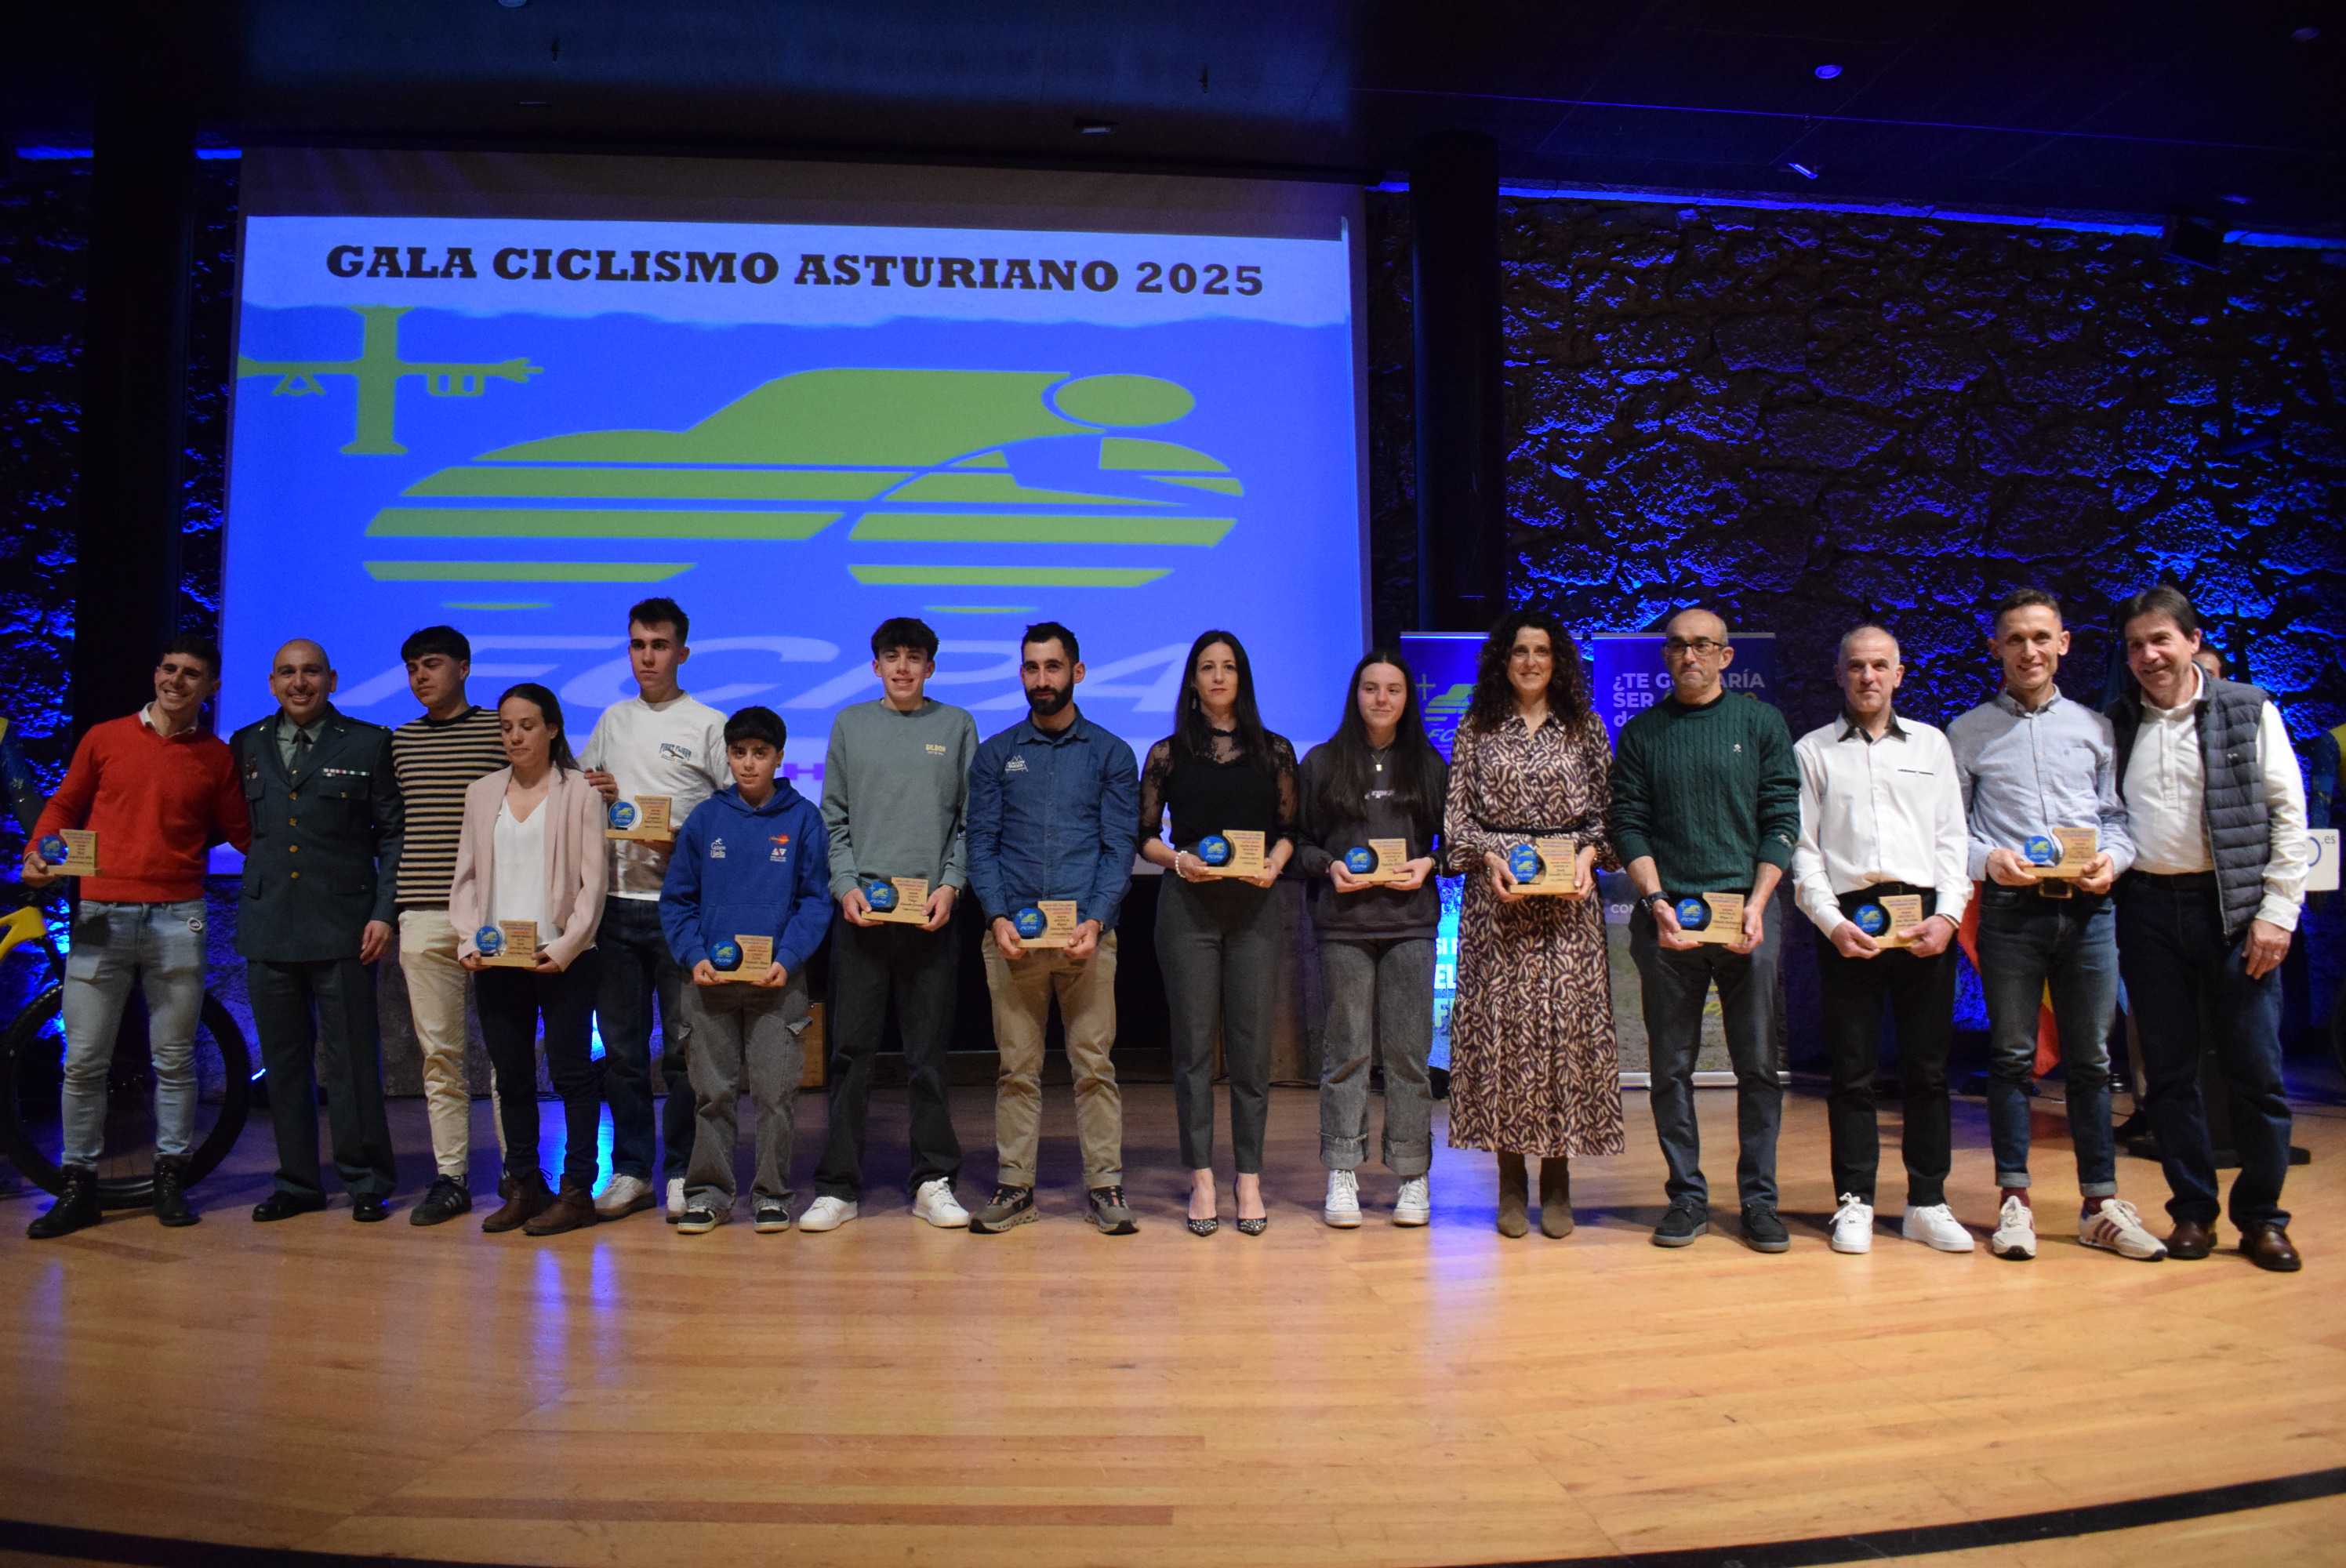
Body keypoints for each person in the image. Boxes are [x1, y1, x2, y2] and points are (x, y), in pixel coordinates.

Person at [1948, 587, 2163, 1262]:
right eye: (2015, 639)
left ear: (2063, 644)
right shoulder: (1966, 733)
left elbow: (2118, 820)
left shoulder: (2096, 728)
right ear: (1995, 648)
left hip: (2090, 911)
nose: (2029, 651)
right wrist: (1990, 861)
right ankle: (2014, 1200)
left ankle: (2100, 1204)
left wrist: (2112, 862)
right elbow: (1951, 834)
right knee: (2012, 1059)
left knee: (2094, 1061)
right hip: (2011, 915)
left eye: (2041, 637)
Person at [2107, 586, 2311, 1271]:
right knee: (2167, 1077)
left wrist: (2277, 914)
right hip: (2148, 913)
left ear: (2193, 641)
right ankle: (2193, 1212)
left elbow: (2288, 814)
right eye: (2136, 645)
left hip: (2235, 914)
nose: (2149, 655)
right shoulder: (2117, 723)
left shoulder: (2249, 710)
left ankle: (2263, 1218)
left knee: (2257, 1073)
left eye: (2161, 640)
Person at [24, 638, 250, 1238]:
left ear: (211, 688)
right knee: (84, 1061)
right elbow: (64, 804)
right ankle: (78, 1186)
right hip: (102, 912)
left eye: (191, 673)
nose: (177, 680)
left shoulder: (216, 757)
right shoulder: (105, 738)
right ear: (156, 674)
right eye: (169, 669)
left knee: (174, 1059)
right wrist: (37, 853)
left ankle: (170, 1178)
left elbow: (245, 833)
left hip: (179, 915)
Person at [1612, 606, 1798, 1252]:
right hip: (1668, 921)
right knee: (1670, 1068)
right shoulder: (1642, 734)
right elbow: (1628, 823)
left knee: (1758, 1066)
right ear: (1666, 656)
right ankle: (1686, 1197)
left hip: (1748, 914)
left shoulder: (1761, 724)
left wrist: (1758, 902)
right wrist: (1656, 899)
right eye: (1676, 646)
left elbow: (1782, 816)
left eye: (1702, 645)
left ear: (1726, 656)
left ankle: (1760, 1201)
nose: (1688, 656)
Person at [1789, 626, 1973, 1255]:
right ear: (1839, 674)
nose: (1868, 676)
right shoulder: (1812, 750)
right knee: (1852, 1071)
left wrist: (1948, 917)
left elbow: (1952, 840)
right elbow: (1804, 851)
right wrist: (1830, 921)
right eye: (1856, 666)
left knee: (1928, 1070)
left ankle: (1928, 1200)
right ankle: (1855, 1201)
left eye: (1879, 666)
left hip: (1924, 918)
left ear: (1899, 674)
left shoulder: (1932, 744)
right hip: (1850, 921)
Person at [1440, 613, 1622, 1240]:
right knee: (1504, 1042)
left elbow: (1609, 820)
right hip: (1499, 904)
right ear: (1502, 660)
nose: (1530, 661)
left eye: (1542, 651)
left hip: (1568, 907)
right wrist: (1491, 857)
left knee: (1562, 1038)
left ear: (1558, 660)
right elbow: (1457, 825)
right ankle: (1511, 1182)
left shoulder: (1585, 726)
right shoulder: (1477, 727)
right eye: (1519, 650)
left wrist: (1590, 857)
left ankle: (1559, 1179)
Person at [964, 622, 1141, 1234]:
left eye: (1054, 667)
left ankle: (1106, 1188)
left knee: (1094, 1067)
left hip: (1087, 937)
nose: (1043, 679)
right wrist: (996, 916)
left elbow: (1118, 847)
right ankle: (1015, 1188)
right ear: (1022, 674)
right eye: (1032, 668)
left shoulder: (1112, 754)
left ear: (1077, 672)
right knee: (1017, 1071)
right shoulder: (995, 754)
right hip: (1012, 939)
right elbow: (980, 844)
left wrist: (1096, 919)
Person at [807, 616, 978, 1232]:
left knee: (927, 1055)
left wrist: (951, 886)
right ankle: (838, 1187)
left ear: (931, 667)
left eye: (914, 657)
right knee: (850, 1053)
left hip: (931, 914)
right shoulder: (850, 725)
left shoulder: (956, 725)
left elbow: (970, 820)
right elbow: (833, 818)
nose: (903, 667)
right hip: (863, 914)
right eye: (891, 656)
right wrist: (846, 887)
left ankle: (932, 1180)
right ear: (875, 665)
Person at [229, 640, 404, 1224]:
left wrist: (384, 912)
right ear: (272, 683)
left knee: (353, 1060)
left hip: (344, 925)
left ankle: (366, 1179)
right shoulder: (246, 743)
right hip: (269, 924)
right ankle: (298, 1182)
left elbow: (393, 835)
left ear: (332, 679)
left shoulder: (368, 742)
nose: (299, 682)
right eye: (287, 673)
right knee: (283, 1064)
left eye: (310, 672)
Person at [1140, 630, 1299, 1237]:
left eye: (1228, 666)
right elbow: (1144, 835)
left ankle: (1248, 1177)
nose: (1217, 677)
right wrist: (1178, 860)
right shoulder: (1167, 753)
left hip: (1255, 908)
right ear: (1192, 679)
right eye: (1207, 667)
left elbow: (1291, 829)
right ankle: (1202, 1176)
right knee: (1193, 1051)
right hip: (1188, 910)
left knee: (1252, 1051)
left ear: (1242, 677)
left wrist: (1275, 864)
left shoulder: (1275, 751)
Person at [578, 597, 728, 1221]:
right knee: (622, 1052)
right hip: (616, 908)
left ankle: (683, 1171)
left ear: (682, 652)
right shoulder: (612, 721)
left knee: (685, 1053)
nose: (648, 657)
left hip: (680, 913)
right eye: (638, 645)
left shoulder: (709, 725)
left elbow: (734, 815)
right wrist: (596, 790)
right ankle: (632, 1169)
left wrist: (681, 839)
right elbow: (581, 794)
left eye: (660, 645)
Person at [659, 706, 830, 1234]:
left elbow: (815, 901)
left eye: (760, 753)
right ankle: (708, 1195)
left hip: (777, 982)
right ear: (728, 757)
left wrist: (787, 958)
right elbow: (677, 900)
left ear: (779, 758)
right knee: (712, 1096)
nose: (749, 764)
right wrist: (694, 956)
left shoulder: (803, 819)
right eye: (739, 753)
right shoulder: (706, 819)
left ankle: (772, 1194)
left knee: (776, 1096)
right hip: (709, 984)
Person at [1295, 649, 1447, 1229]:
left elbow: (1454, 844)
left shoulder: (1428, 765)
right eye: (1371, 688)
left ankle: (1412, 1174)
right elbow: (1300, 844)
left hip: (1411, 924)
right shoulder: (1322, 762)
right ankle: (1342, 1169)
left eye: (1393, 689)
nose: (1381, 698)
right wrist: (1329, 865)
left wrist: (1430, 863)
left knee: (1408, 1056)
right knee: (1347, 1051)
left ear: (1407, 699)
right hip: (1345, 926)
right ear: (1355, 695)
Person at [451, 684, 609, 1236]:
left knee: (572, 1075)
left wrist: (565, 948)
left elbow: (594, 884)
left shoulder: (580, 792)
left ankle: (577, 1191)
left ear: (552, 729)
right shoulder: (481, 792)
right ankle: (524, 1185)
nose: (515, 736)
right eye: (507, 727)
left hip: (563, 958)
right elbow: (466, 878)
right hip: (499, 961)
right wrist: (469, 942)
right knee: (512, 1078)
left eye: (527, 725)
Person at [388, 625, 513, 1226]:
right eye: (412, 667)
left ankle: (519, 1172)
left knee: (507, 1051)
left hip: (493, 913)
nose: (420, 676)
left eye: (432, 664)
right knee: (440, 1056)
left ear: (464, 667)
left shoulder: (500, 730)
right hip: (422, 908)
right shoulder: (400, 741)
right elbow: (391, 825)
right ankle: (452, 1177)